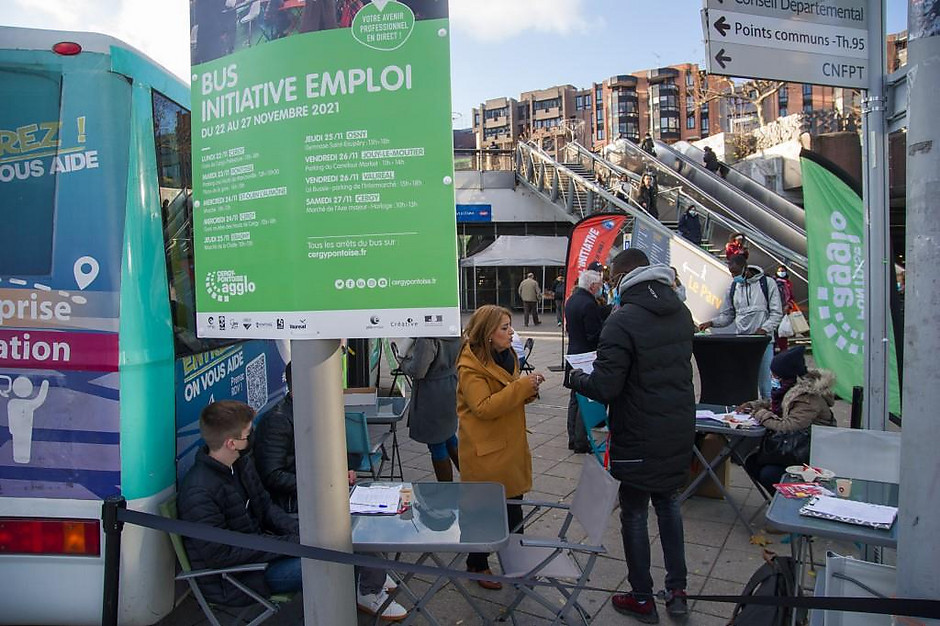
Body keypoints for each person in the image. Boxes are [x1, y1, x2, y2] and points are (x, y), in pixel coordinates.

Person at [567, 249, 694, 622]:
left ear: (621, 277)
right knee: (669, 506)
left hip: (638, 433)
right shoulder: (681, 313)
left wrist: (576, 378)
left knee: (635, 513)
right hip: (676, 428)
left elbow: (606, 386)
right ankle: (677, 591)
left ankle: (642, 597)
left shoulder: (622, 321)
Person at [251, 374, 408, 620]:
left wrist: (338, 472)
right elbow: (272, 475)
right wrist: (324, 484)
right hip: (297, 501)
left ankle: (372, 575)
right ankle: (368, 590)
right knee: (353, 523)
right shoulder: (278, 421)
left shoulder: (307, 410)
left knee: (371, 514)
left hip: (315, 492)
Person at [457, 305, 543, 589]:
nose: (511, 332)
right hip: (486, 450)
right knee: (485, 511)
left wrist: (528, 392)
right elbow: (483, 407)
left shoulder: (507, 356)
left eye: (510, 326)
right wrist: (521, 388)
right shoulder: (470, 366)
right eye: (504, 328)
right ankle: (477, 564)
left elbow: (506, 393)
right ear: (488, 334)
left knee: (514, 507)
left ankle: (516, 562)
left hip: (508, 446)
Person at [738, 346, 836, 494]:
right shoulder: (791, 389)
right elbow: (777, 405)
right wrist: (754, 405)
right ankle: (779, 499)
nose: (772, 378)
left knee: (768, 473)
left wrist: (760, 413)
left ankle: (787, 501)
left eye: (776, 376)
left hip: (811, 454)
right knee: (752, 462)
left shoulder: (808, 398)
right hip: (795, 449)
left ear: (787, 376)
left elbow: (789, 426)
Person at [698, 254, 784, 399]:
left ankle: (769, 413)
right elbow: (728, 316)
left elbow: (776, 313)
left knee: (765, 386)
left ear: (745, 268)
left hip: (763, 342)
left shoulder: (767, 284)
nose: (734, 276)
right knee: (743, 384)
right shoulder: (733, 288)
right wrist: (712, 322)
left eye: (736, 273)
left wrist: (764, 329)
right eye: (731, 273)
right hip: (743, 342)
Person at [399, 337, 461, 481]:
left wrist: (403, 362)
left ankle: (446, 491)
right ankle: (473, 480)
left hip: (431, 393)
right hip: (450, 385)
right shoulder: (453, 325)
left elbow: (418, 370)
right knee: (449, 435)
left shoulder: (427, 335)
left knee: (437, 443)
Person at [564, 268, 605, 454]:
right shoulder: (589, 304)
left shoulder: (573, 299)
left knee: (575, 397)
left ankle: (573, 437)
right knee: (585, 398)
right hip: (586, 356)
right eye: (599, 285)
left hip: (574, 353)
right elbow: (593, 335)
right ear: (592, 285)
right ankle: (580, 440)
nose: (600, 287)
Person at [773, 265, 798, 353]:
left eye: (783, 271)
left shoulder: (787, 283)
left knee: (783, 333)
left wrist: (788, 305)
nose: (781, 272)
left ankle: (783, 352)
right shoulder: (773, 282)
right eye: (780, 271)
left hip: (784, 311)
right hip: (774, 311)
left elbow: (791, 297)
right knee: (775, 333)